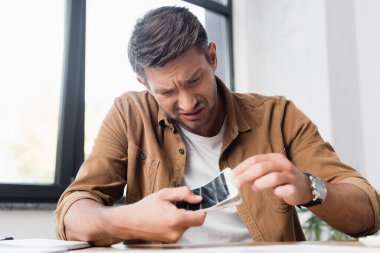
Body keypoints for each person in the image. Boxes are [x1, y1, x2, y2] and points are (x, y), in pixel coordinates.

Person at [54, 6, 380, 246]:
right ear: (144, 84)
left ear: (212, 57)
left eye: (194, 80)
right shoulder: (129, 114)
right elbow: (72, 214)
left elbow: (368, 213)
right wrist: (131, 220)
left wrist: (309, 188)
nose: (187, 103)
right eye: (166, 92)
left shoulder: (278, 116)